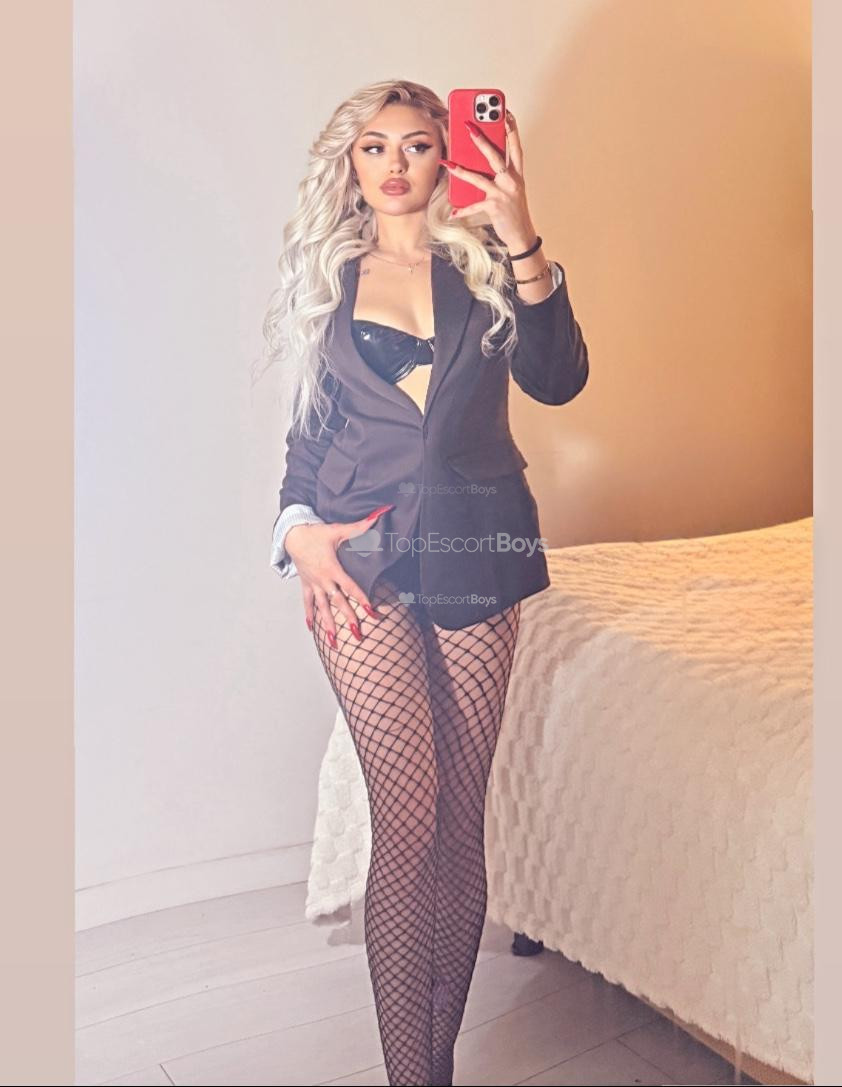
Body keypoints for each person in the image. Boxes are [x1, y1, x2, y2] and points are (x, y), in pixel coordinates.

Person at [260, 79, 589, 1086]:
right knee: (406, 819)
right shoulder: (326, 276)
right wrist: (298, 533)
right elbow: (307, 439)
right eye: (373, 147)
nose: (394, 164)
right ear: (350, 164)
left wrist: (523, 238)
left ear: (446, 157)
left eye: (414, 144)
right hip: (356, 559)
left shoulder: (484, 264)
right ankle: (411, 1071)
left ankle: (433, 1066)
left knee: (456, 819)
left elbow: (558, 380)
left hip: (477, 542)